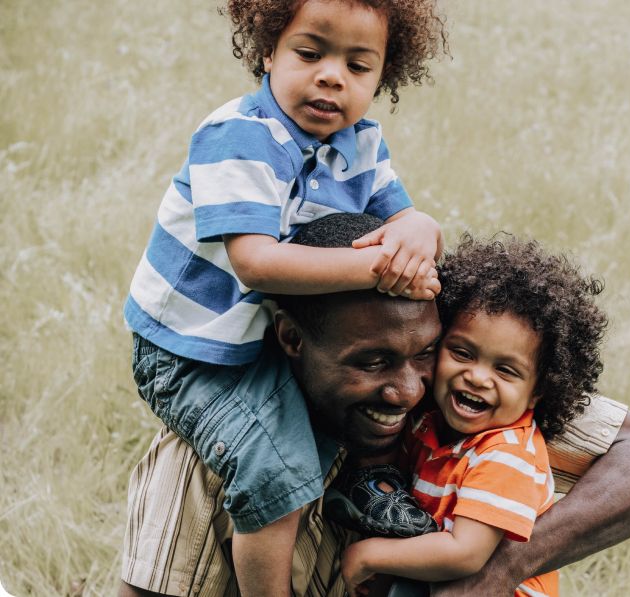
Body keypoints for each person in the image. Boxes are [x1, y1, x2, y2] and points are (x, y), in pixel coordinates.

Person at [118, 214, 630, 597]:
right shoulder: (223, 453)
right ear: (291, 341)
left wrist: (495, 570)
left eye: (423, 353)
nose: (405, 391)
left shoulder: (468, 400)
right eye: (370, 363)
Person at [123, 0, 447, 594]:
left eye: (358, 65)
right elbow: (258, 262)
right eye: (310, 53)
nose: (331, 75)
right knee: (276, 471)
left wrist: (420, 226)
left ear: (383, 76)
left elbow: (399, 219)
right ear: (268, 50)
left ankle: (361, 493)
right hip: (194, 351)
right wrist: (377, 266)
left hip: (260, 339)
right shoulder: (240, 134)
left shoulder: (360, 143)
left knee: (343, 422)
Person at [340, 234, 608, 596]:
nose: (478, 377)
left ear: (539, 390)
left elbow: (464, 553)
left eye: (506, 370)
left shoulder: (506, 454)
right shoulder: (431, 420)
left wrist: (370, 556)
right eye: (462, 353)